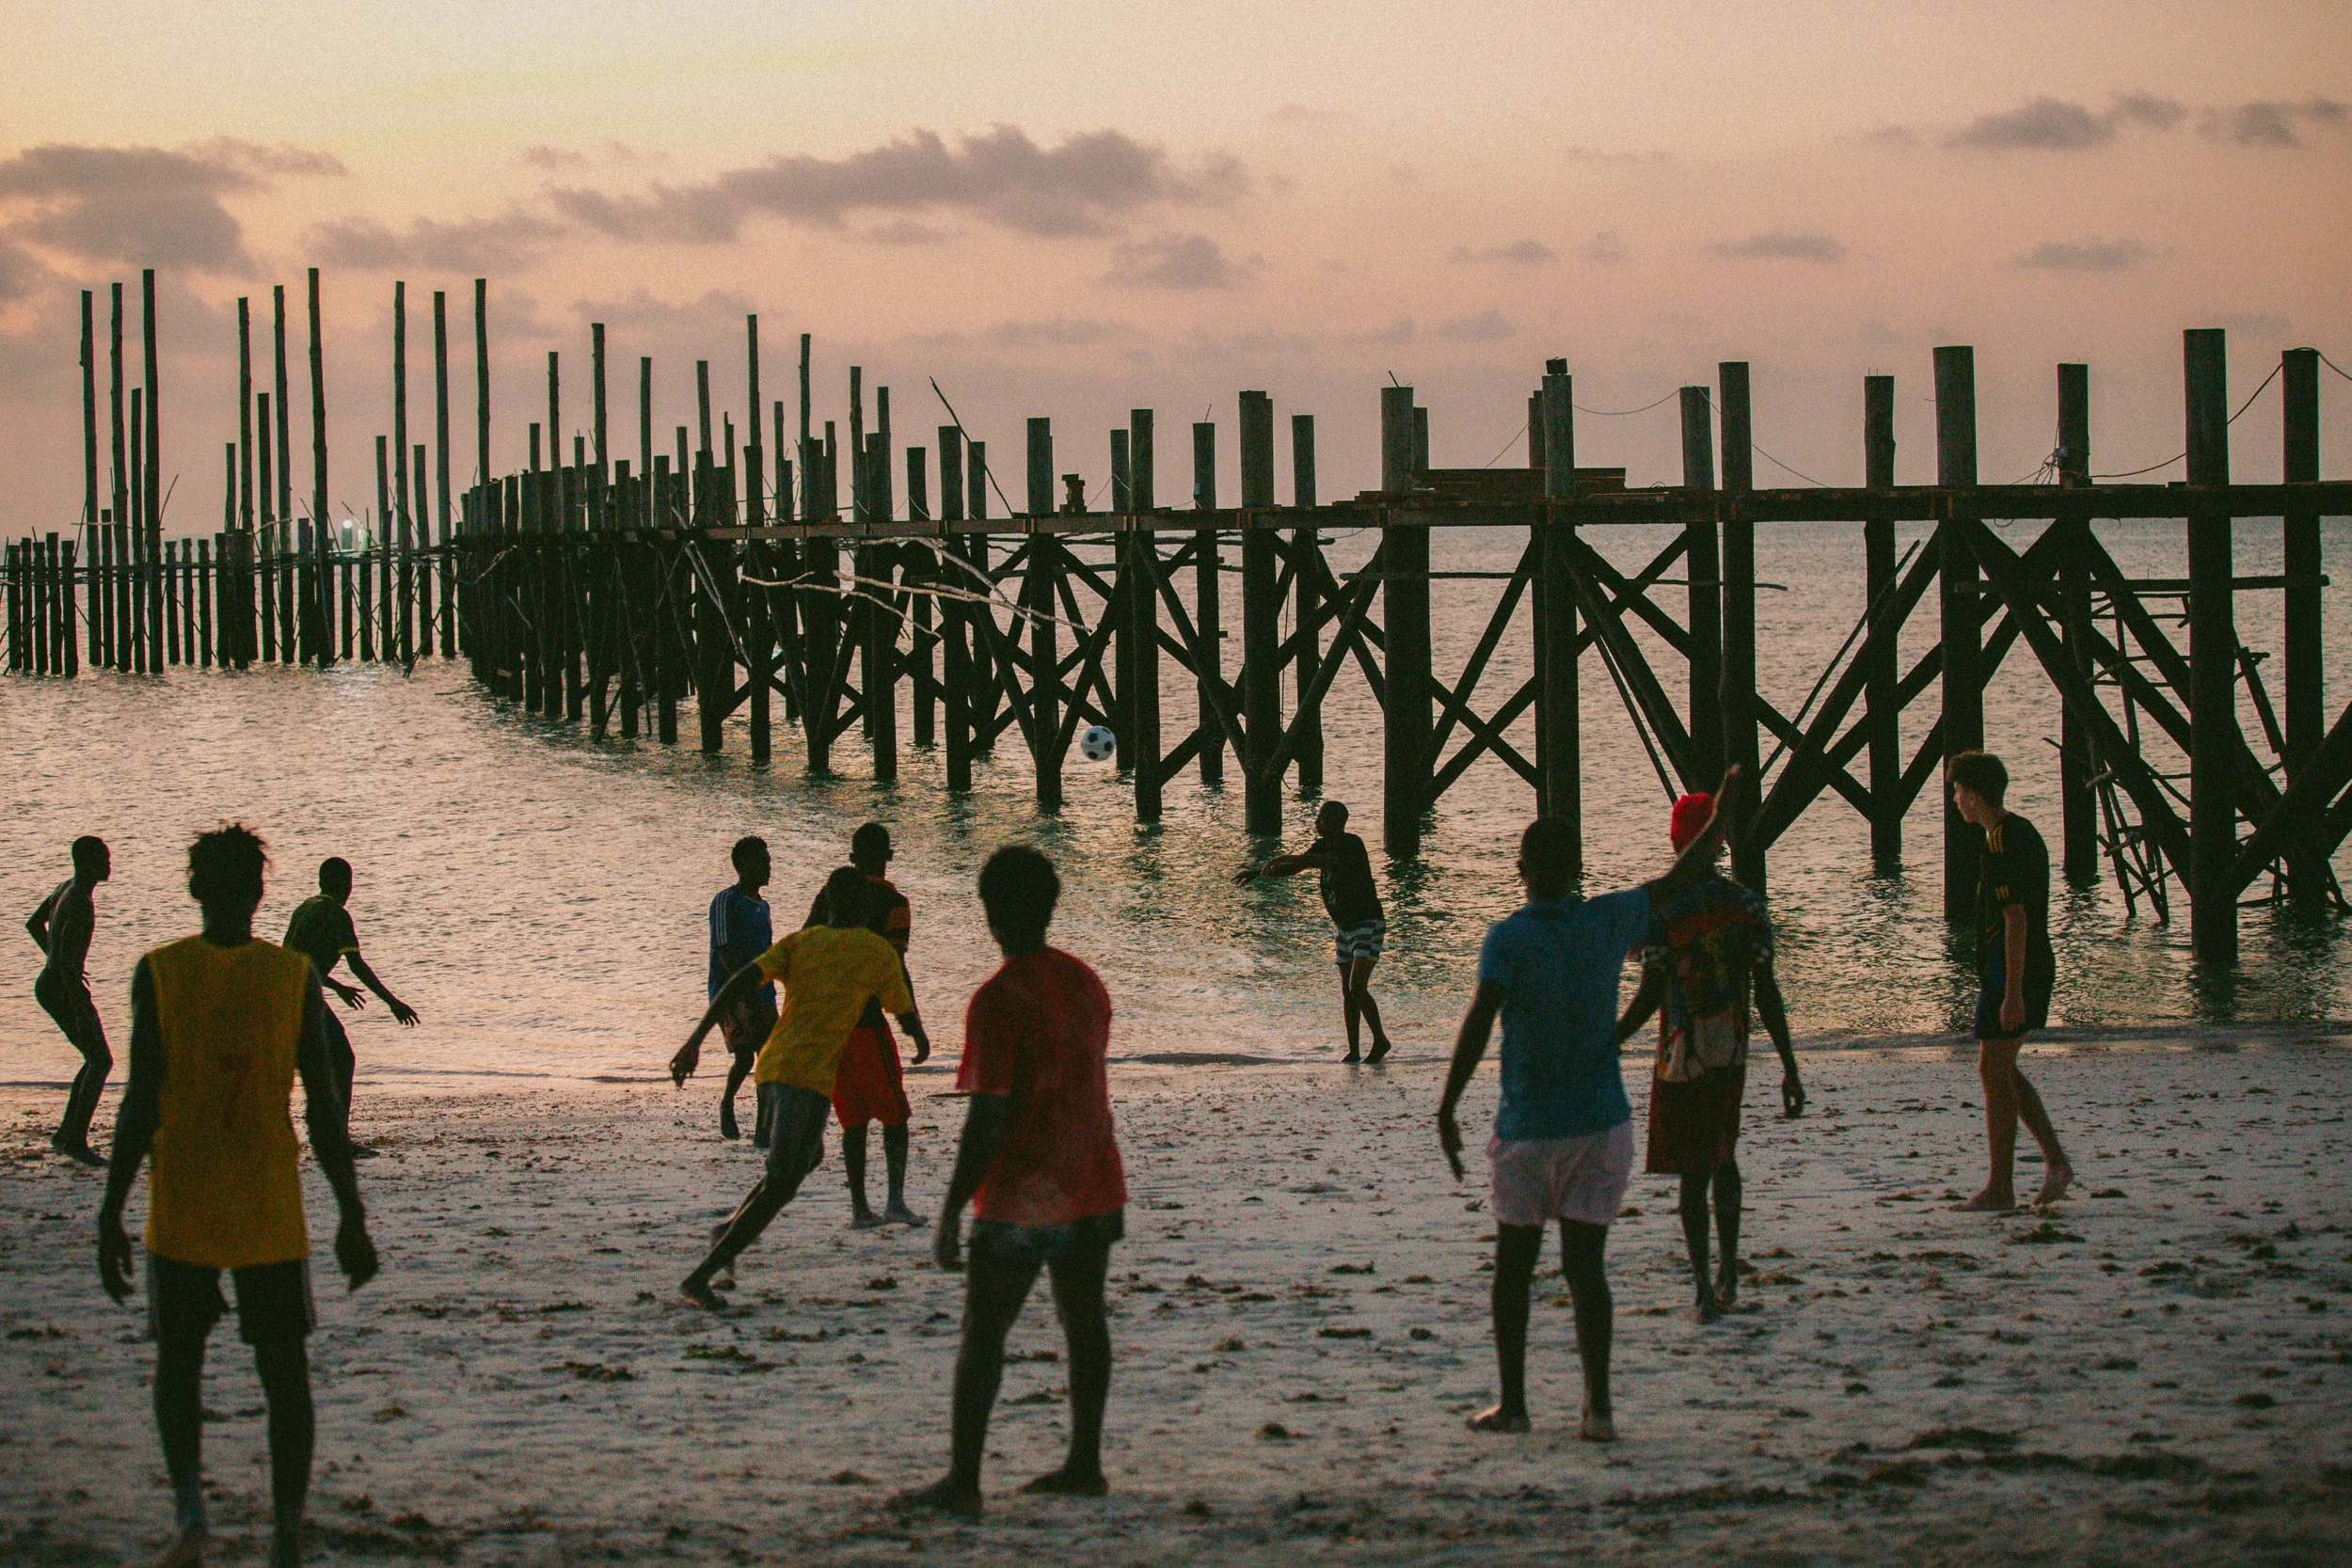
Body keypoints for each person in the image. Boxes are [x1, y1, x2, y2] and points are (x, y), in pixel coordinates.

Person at [96, 824, 378, 1568]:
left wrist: (110, 1209)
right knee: (283, 1369)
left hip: (181, 1196)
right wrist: (350, 1213)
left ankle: (191, 1516)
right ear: (260, 892)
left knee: (179, 1362)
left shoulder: (158, 971)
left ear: (194, 888)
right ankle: (286, 1531)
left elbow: (138, 1103)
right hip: (266, 1200)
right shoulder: (291, 979)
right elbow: (322, 1111)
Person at [1437, 767, 1742, 1440]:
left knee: (1513, 1269)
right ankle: (1598, 1407)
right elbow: (1684, 876)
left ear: (1521, 869)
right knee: (1587, 1270)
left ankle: (1514, 1404)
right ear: (1578, 868)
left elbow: (1479, 1022)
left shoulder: (1506, 938)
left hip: (1527, 1128)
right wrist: (1719, 813)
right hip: (1601, 1125)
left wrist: (1448, 1105)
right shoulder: (1609, 918)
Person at [896, 845, 1124, 1519]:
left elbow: (988, 1116)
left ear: (992, 911)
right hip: (1091, 1174)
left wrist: (948, 1210)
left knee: (984, 1331)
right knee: (1084, 1321)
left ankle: (963, 1480)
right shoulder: (1086, 981)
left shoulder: (996, 1000)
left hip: (1024, 1189)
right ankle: (1085, 1463)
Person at [669, 864, 930, 1309]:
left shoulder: (802, 943)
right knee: (783, 1182)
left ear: (826, 902)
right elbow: (901, 1010)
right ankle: (702, 1276)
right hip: (804, 1076)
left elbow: (736, 982)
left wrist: (695, 1040)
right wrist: (919, 1038)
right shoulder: (875, 951)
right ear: (866, 908)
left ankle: (726, 1230)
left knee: (807, 1157)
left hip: (774, 1066)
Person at [1612, 791, 1804, 1323]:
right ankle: (1728, 1271)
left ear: (1677, 838)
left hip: (1681, 1055)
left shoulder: (1664, 910)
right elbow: (1767, 990)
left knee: (1693, 1172)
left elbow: (1651, 995)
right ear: (1717, 843)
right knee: (1724, 1154)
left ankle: (1701, 1286)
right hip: (1732, 1048)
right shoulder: (1745, 904)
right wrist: (1788, 1064)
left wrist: (1608, 1041)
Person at [1947, 750, 2072, 1212]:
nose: (1955, 800)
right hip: (2026, 964)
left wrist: (2013, 991)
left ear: (1975, 795)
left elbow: (2016, 918)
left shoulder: (1999, 842)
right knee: (2000, 1068)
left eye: (1958, 792)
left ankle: (2002, 1186)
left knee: (1992, 1068)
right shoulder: (2021, 830)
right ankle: (2055, 1163)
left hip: (2013, 968)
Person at [807, 823, 929, 1227]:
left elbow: (808, 945)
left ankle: (860, 1208)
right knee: (895, 1117)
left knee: (853, 1120)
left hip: (831, 1027)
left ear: (853, 857)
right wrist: (914, 1025)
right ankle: (894, 1200)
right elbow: (895, 965)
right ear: (888, 855)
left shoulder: (829, 895)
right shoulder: (894, 902)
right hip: (868, 1024)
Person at [1233, 800, 1394, 1063]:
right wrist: (1257, 873)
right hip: (1343, 928)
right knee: (1348, 991)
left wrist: (1287, 858)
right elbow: (1297, 867)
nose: (1316, 823)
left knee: (1357, 987)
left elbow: (1320, 861)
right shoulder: (1321, 846)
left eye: (1320, 819)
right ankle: (1354, 1050)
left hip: (1367, 923)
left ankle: (1380, 1040)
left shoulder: (1352, 844)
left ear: (1334, 823)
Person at [283, 857, 418, 1155]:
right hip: (300, 993)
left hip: (283, 989)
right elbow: (357, 965)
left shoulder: (305, 908)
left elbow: (293, 959)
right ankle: (336, 1141)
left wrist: (335, 986)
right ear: (348, 885)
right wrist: (393, 1003)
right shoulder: (337, 915)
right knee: (341, 1059)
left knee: (317, 1060)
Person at [27, 834, 112, 1165]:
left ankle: (67, 1134)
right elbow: (65, 964)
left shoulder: (67, 888)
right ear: (86, 862)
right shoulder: (79, 902)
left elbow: (35, 925)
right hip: (62, 988)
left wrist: (54, 957)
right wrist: (79, 1008)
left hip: (52, 984)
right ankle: (74, 1139)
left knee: (93, 1058)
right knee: (100, 1060)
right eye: (103, 858)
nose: (109, 864)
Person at [708, 836, 778, 1145]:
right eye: (761, 861)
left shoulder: (763, 907)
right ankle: (727, 1103)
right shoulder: (726, 900)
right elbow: (724, 949)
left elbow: (768, 952)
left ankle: (764, 1128)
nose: (768, 866)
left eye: (768, 860)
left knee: (768, 1058)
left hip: (762, 992)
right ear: (742, 866)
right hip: (730, 992)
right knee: (744, 1058)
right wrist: (743, 988)